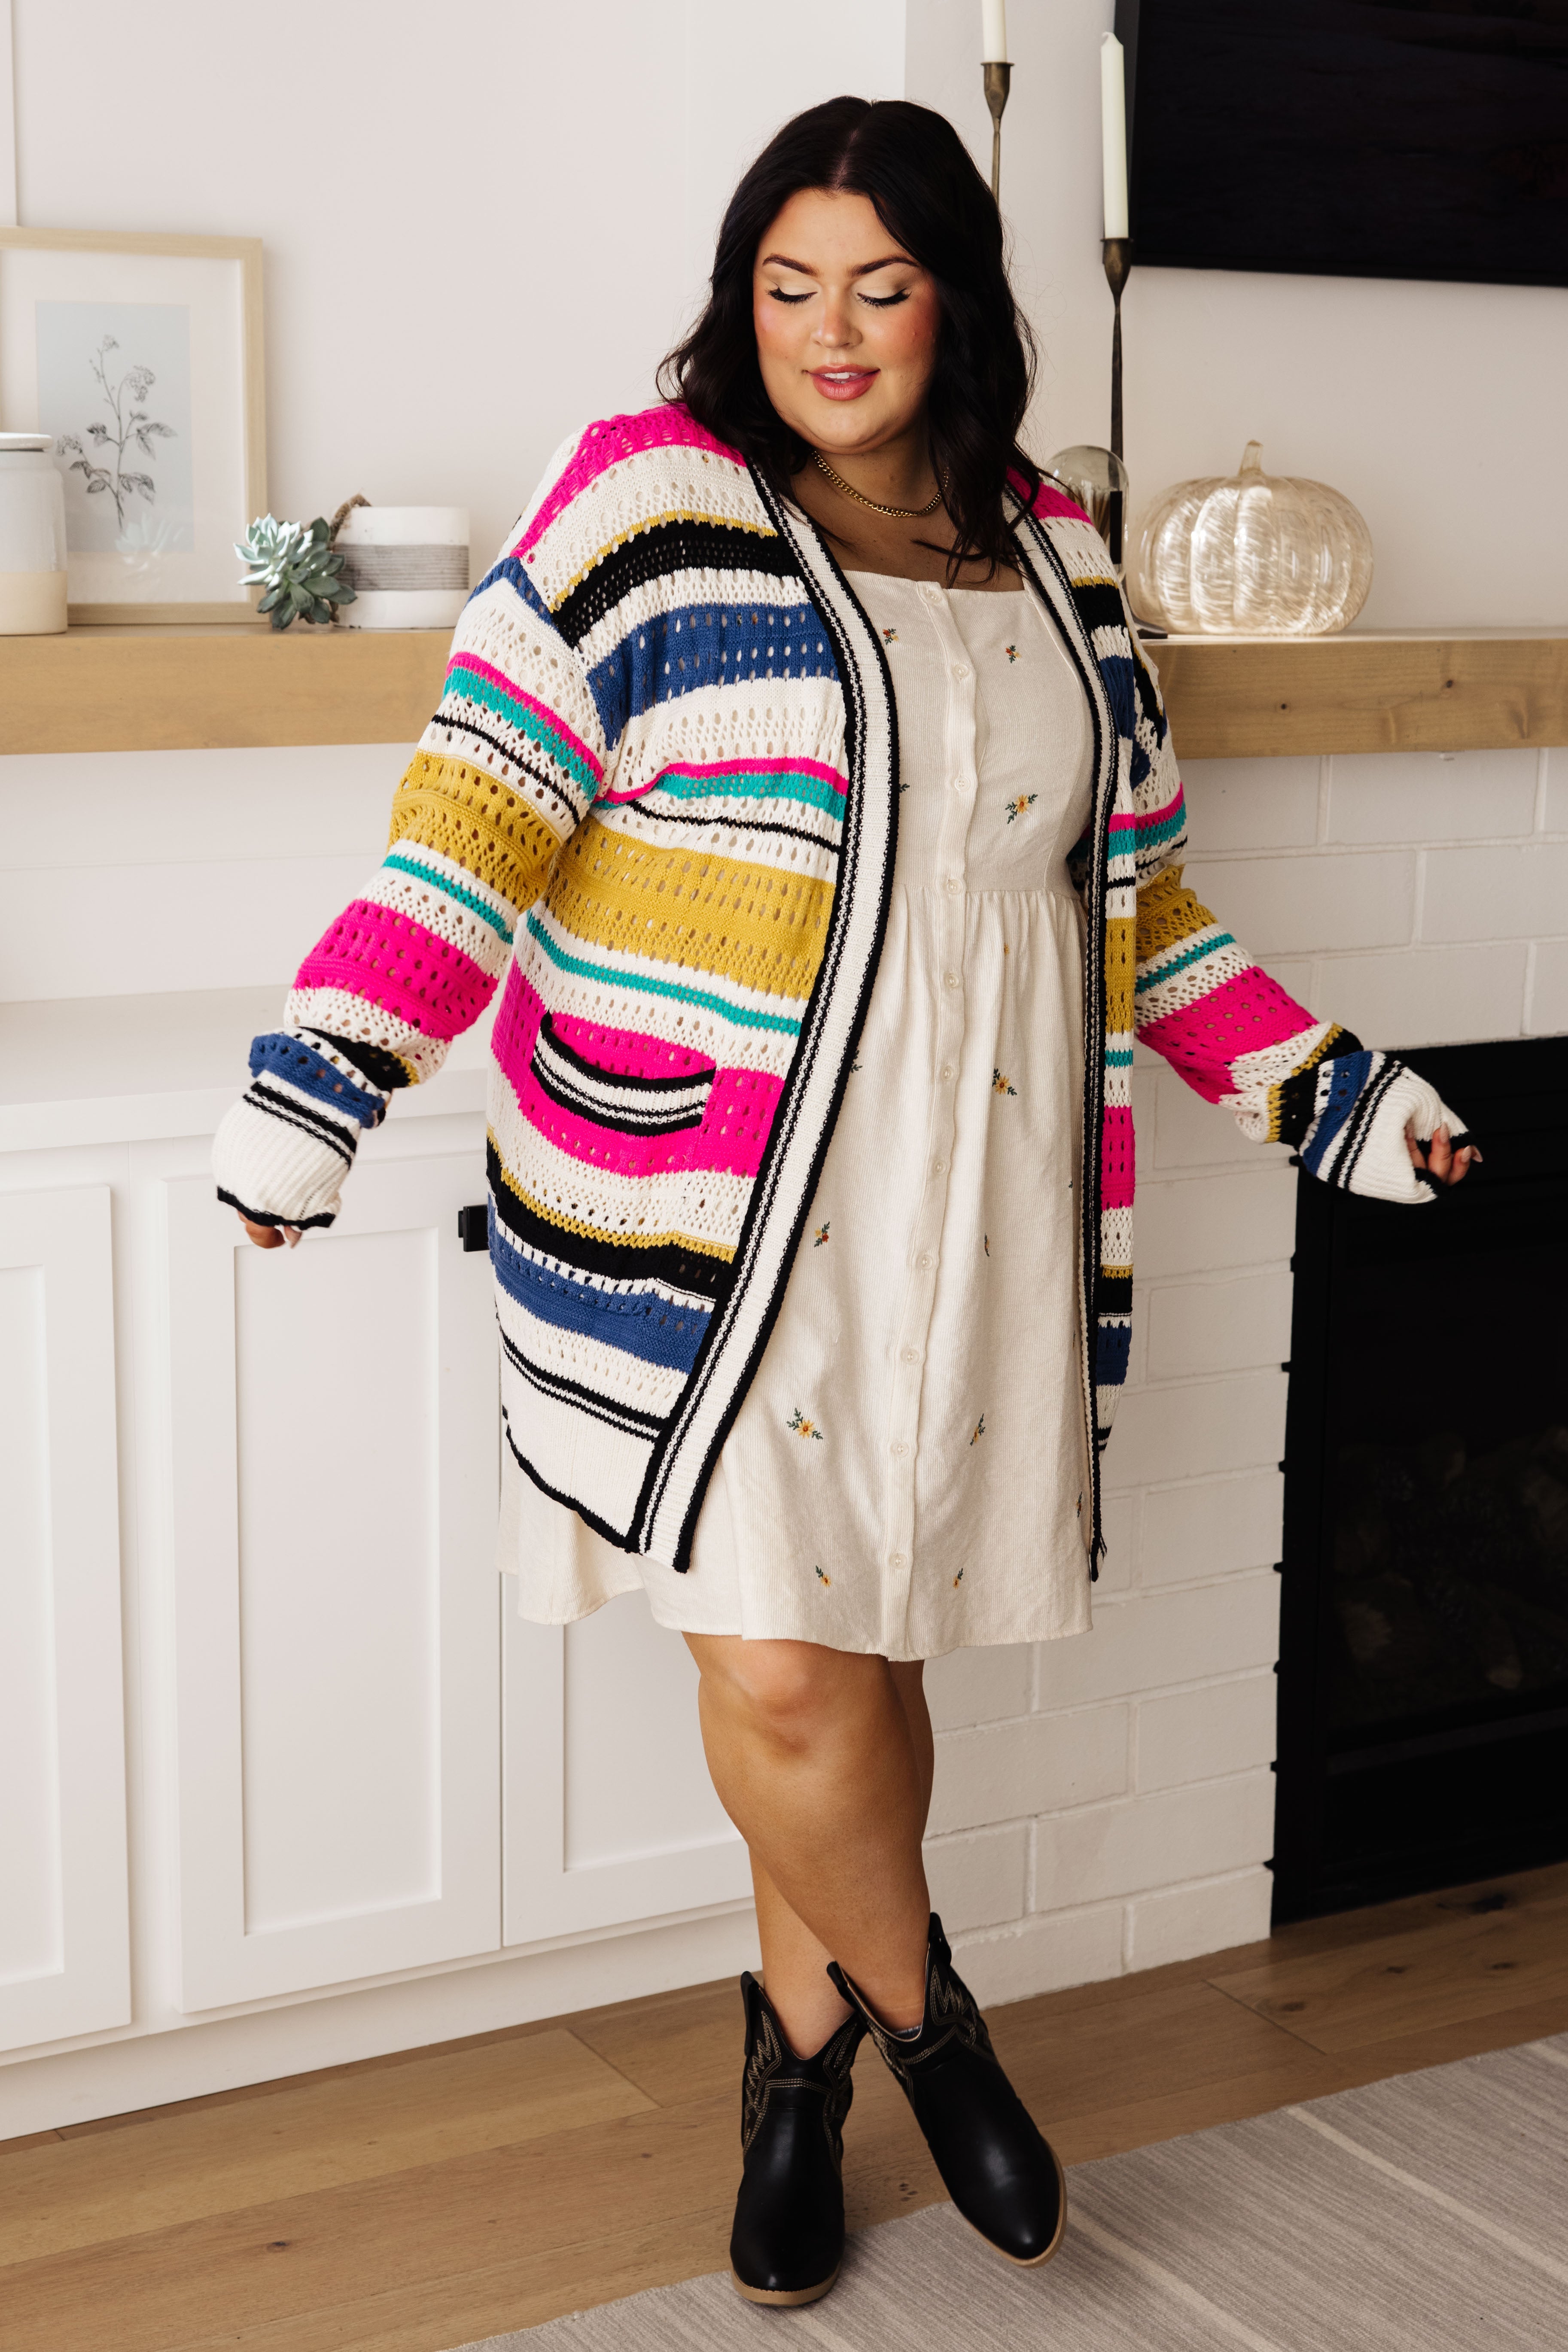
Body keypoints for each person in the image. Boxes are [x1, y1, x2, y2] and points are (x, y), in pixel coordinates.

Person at [213, 96, 1474, 2310]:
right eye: (788, 286)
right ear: (741, 299)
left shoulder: (1060, 553)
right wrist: (320, 1086)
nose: (830, 331)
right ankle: (942, 2036)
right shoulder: (644, 509)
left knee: (867, 1660)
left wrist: (1340, 1100)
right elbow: (467, 836)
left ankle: (788, 2074)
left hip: (968, 1193)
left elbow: (1143, 916)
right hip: (698, 1214)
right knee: (790, 1679)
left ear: (957, 304)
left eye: (878, 287)